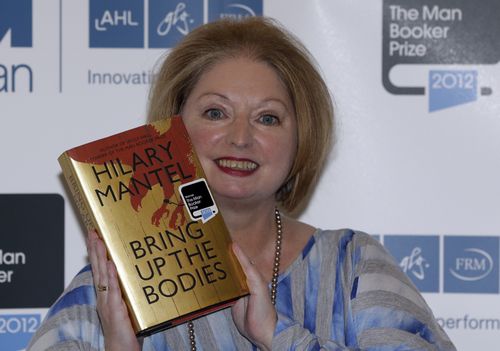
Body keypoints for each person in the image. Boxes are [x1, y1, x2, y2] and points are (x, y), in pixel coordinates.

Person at [28, 17, 456, 351]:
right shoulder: (116, 282)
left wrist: (278, 334)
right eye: (216, 112)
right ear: (172, 130)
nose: (240, 137)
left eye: (267, 117)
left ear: (300, 140)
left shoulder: (352, 266)